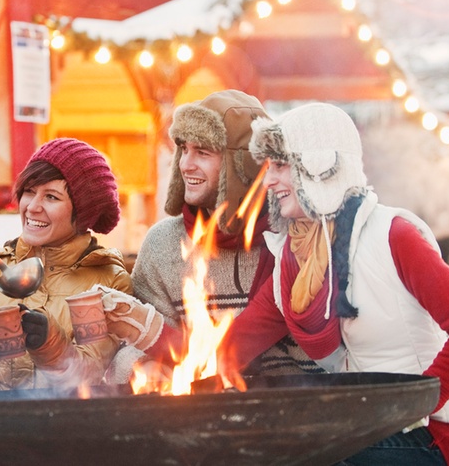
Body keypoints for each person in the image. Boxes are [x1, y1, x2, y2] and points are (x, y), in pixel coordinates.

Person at [216, 102, 449, 465]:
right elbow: (230, 346)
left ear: (318, 166)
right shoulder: (293, 265)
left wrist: (409, 409)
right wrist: (146, 338)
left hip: (438, 436)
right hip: (371, 430)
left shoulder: (394, 235)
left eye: (281, 165)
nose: (269, 180)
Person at [105, 90, 322, 383]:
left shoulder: (296, 241)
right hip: (201, 417)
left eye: (203, 152)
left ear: (244, 165)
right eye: (183, 149)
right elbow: (125, 352)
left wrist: (149, 330)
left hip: (296, 414)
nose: (185, 164)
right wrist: (142, 367)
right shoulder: (163, 245)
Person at [0, 138, 132, 394]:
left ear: (83, 212)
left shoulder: (108, 282)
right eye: (29, 191)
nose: (32, 207)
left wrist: (50, 344)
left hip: (67, 425)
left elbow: (89, 373)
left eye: (51, 197)